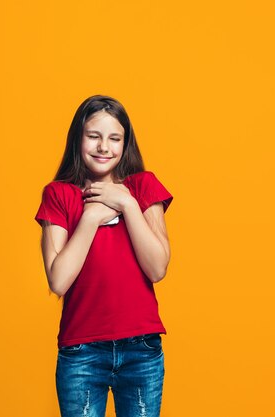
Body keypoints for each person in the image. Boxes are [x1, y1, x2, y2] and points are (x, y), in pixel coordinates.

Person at [34, 95, 173, 417]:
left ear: (126, 143)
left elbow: (157, 268)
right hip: (81, 352)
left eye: (114, 138)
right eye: (93, 136)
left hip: (142, 349)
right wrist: (91, 217)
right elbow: (58, 280)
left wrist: (125, 203)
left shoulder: (143, 187)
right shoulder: (59, 194)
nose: (103, 147)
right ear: (78, 139)